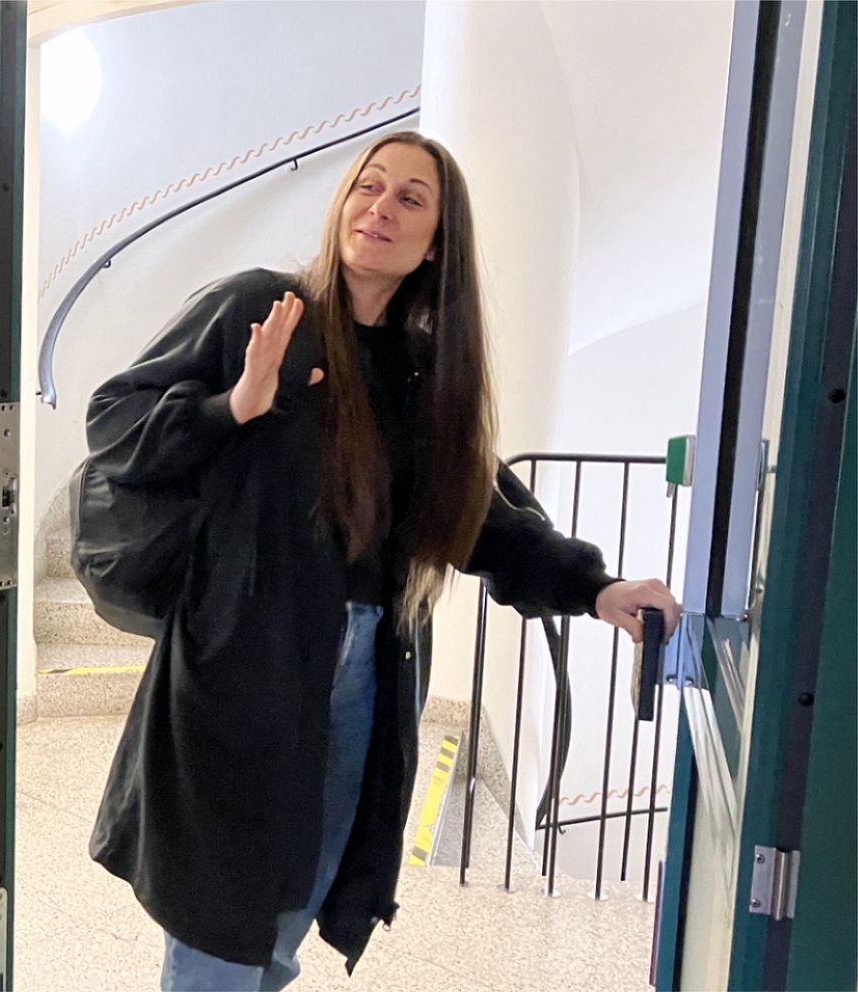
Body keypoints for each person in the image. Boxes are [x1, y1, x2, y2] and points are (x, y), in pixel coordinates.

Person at [85, 131, 680, 992]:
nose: (380, 208)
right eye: (369, 186)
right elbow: (115, 422)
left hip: (367, 671)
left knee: (294, 907)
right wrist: (234, 405)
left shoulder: (421, 373)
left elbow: (480, 519)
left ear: (437, 242)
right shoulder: (261, 308)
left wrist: (597, 588)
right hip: (244, 660)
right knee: (221, 914)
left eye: (410, 198)